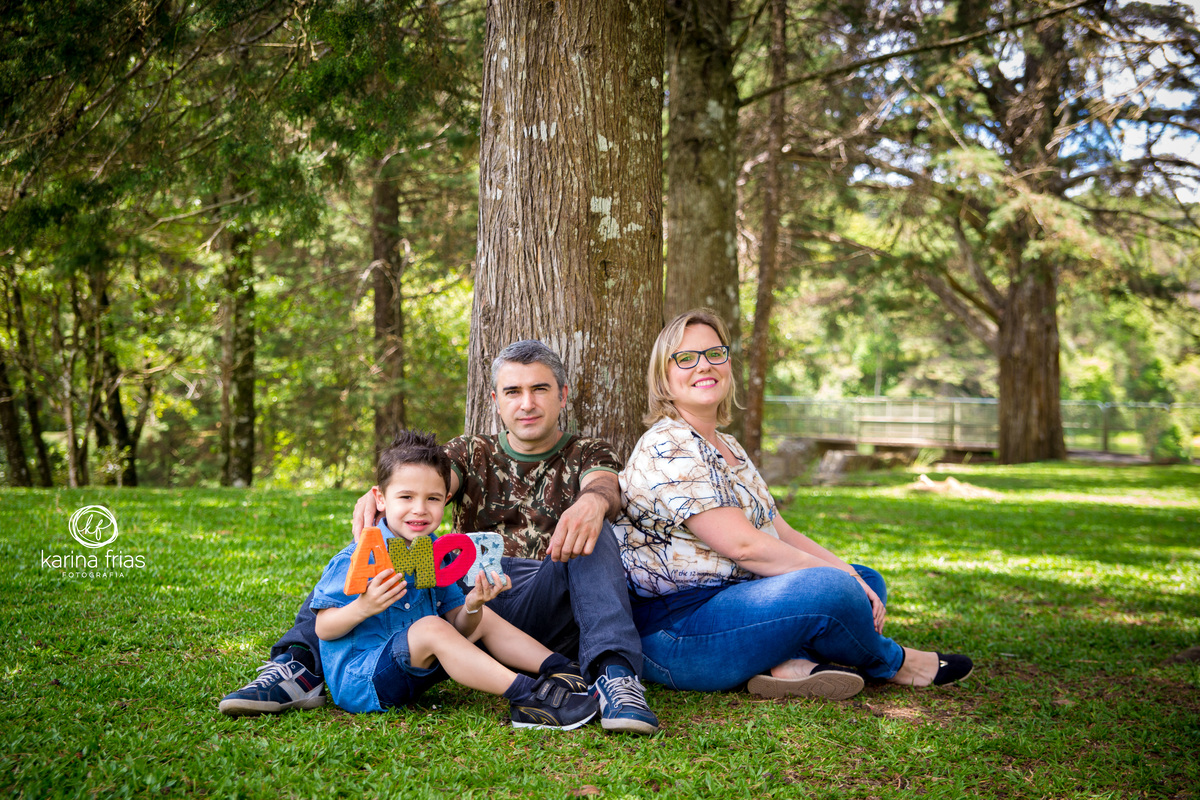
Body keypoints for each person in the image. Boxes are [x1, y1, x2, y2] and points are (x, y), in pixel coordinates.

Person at [221, 340, 658, 735]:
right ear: (495, 401)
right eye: (512, 392)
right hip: (467, 592)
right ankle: (298, 665)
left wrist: (593, 501)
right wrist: (393, 502)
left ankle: (614, 678)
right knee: (376, 551)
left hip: (545, 593)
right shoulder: (471, 451)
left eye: (540, 389)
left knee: (597, 532)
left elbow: (604, 484)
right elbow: (429, 478)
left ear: (562, 395)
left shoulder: (589, 451)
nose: (527, 403)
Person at [613, 308, 973, 698]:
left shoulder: (726, 445)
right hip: (681, 631)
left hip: (739, 600)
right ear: (664, 375)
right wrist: (837, 581)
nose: (704, 366)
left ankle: (788, 663)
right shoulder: (669, 445)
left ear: (728, 362)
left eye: (714, 353)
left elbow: (780, 530)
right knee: (835, 591)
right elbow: (744, 547)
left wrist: (846, 573)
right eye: (685, 358)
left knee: (866, 580)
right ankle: (896, 663)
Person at [309, 430, 597, 728]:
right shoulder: (357, 557)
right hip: (365, 682)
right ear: (380, 498)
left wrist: (473, 606)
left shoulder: (433, 551)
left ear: (446, 499)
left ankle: (562, 670)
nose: (419, 509)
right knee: (431, 627)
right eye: (406, 497)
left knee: (479, 614)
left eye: (432, 498)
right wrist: (364, 607)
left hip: (417, 668)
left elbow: (460, 627)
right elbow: (323, 628)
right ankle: (529, 697)